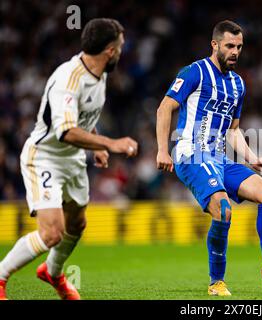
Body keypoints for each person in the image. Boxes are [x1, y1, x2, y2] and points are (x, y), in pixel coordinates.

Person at [0, 18, 138, 300]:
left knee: (77, 224)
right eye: (120, 47)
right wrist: (110, 143)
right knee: (52, 233)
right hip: (46, 157)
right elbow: (64, 131)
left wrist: (95, 144)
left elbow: (83, 118)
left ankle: (52, 272)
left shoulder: (100, 74)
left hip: (73, 159)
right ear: (110, 51)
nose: (122, 52)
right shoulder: (68, 78)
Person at [156, 20, 262, 296]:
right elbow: (165, 107)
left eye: (239, 47)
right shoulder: (195, 72)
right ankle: (216, 282)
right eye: (229, 46)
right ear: (215, 45)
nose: (235, 51)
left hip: (219, 158)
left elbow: (233, 130)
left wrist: (252, 158)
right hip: (191, 153)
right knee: (224, 211)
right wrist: (162, 149)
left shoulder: (238, 84)